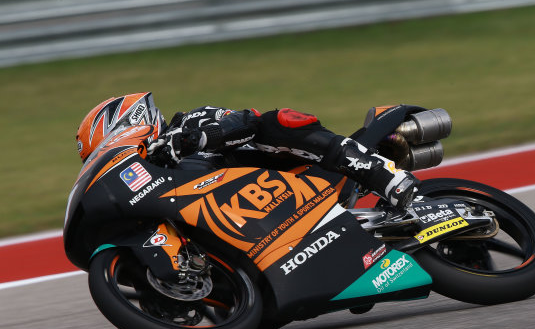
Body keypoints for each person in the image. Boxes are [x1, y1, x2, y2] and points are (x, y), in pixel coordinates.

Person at [76, 92, 419, 210]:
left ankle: (383, 174)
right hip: (256, 217)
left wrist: (187, 142)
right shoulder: (148, 182)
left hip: (297, 178)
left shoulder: (188, 123)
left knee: (275, 121)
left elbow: (246, 122)